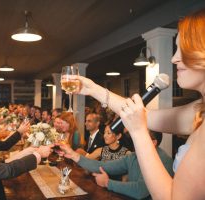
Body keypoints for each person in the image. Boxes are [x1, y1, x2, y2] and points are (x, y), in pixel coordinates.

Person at [74, 8, 205, 199]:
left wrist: (138, 132)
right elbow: (146, 116)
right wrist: (94, 89)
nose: (174, 58)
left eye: (182, 49)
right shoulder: (199, 111)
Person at [58, 131, 173, 199]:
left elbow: (140, 191)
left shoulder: (163, 160)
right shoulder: (133, 156)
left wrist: (108, 183)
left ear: (153, 143)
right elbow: (102, 166)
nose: (135, 139)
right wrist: (73, 155)